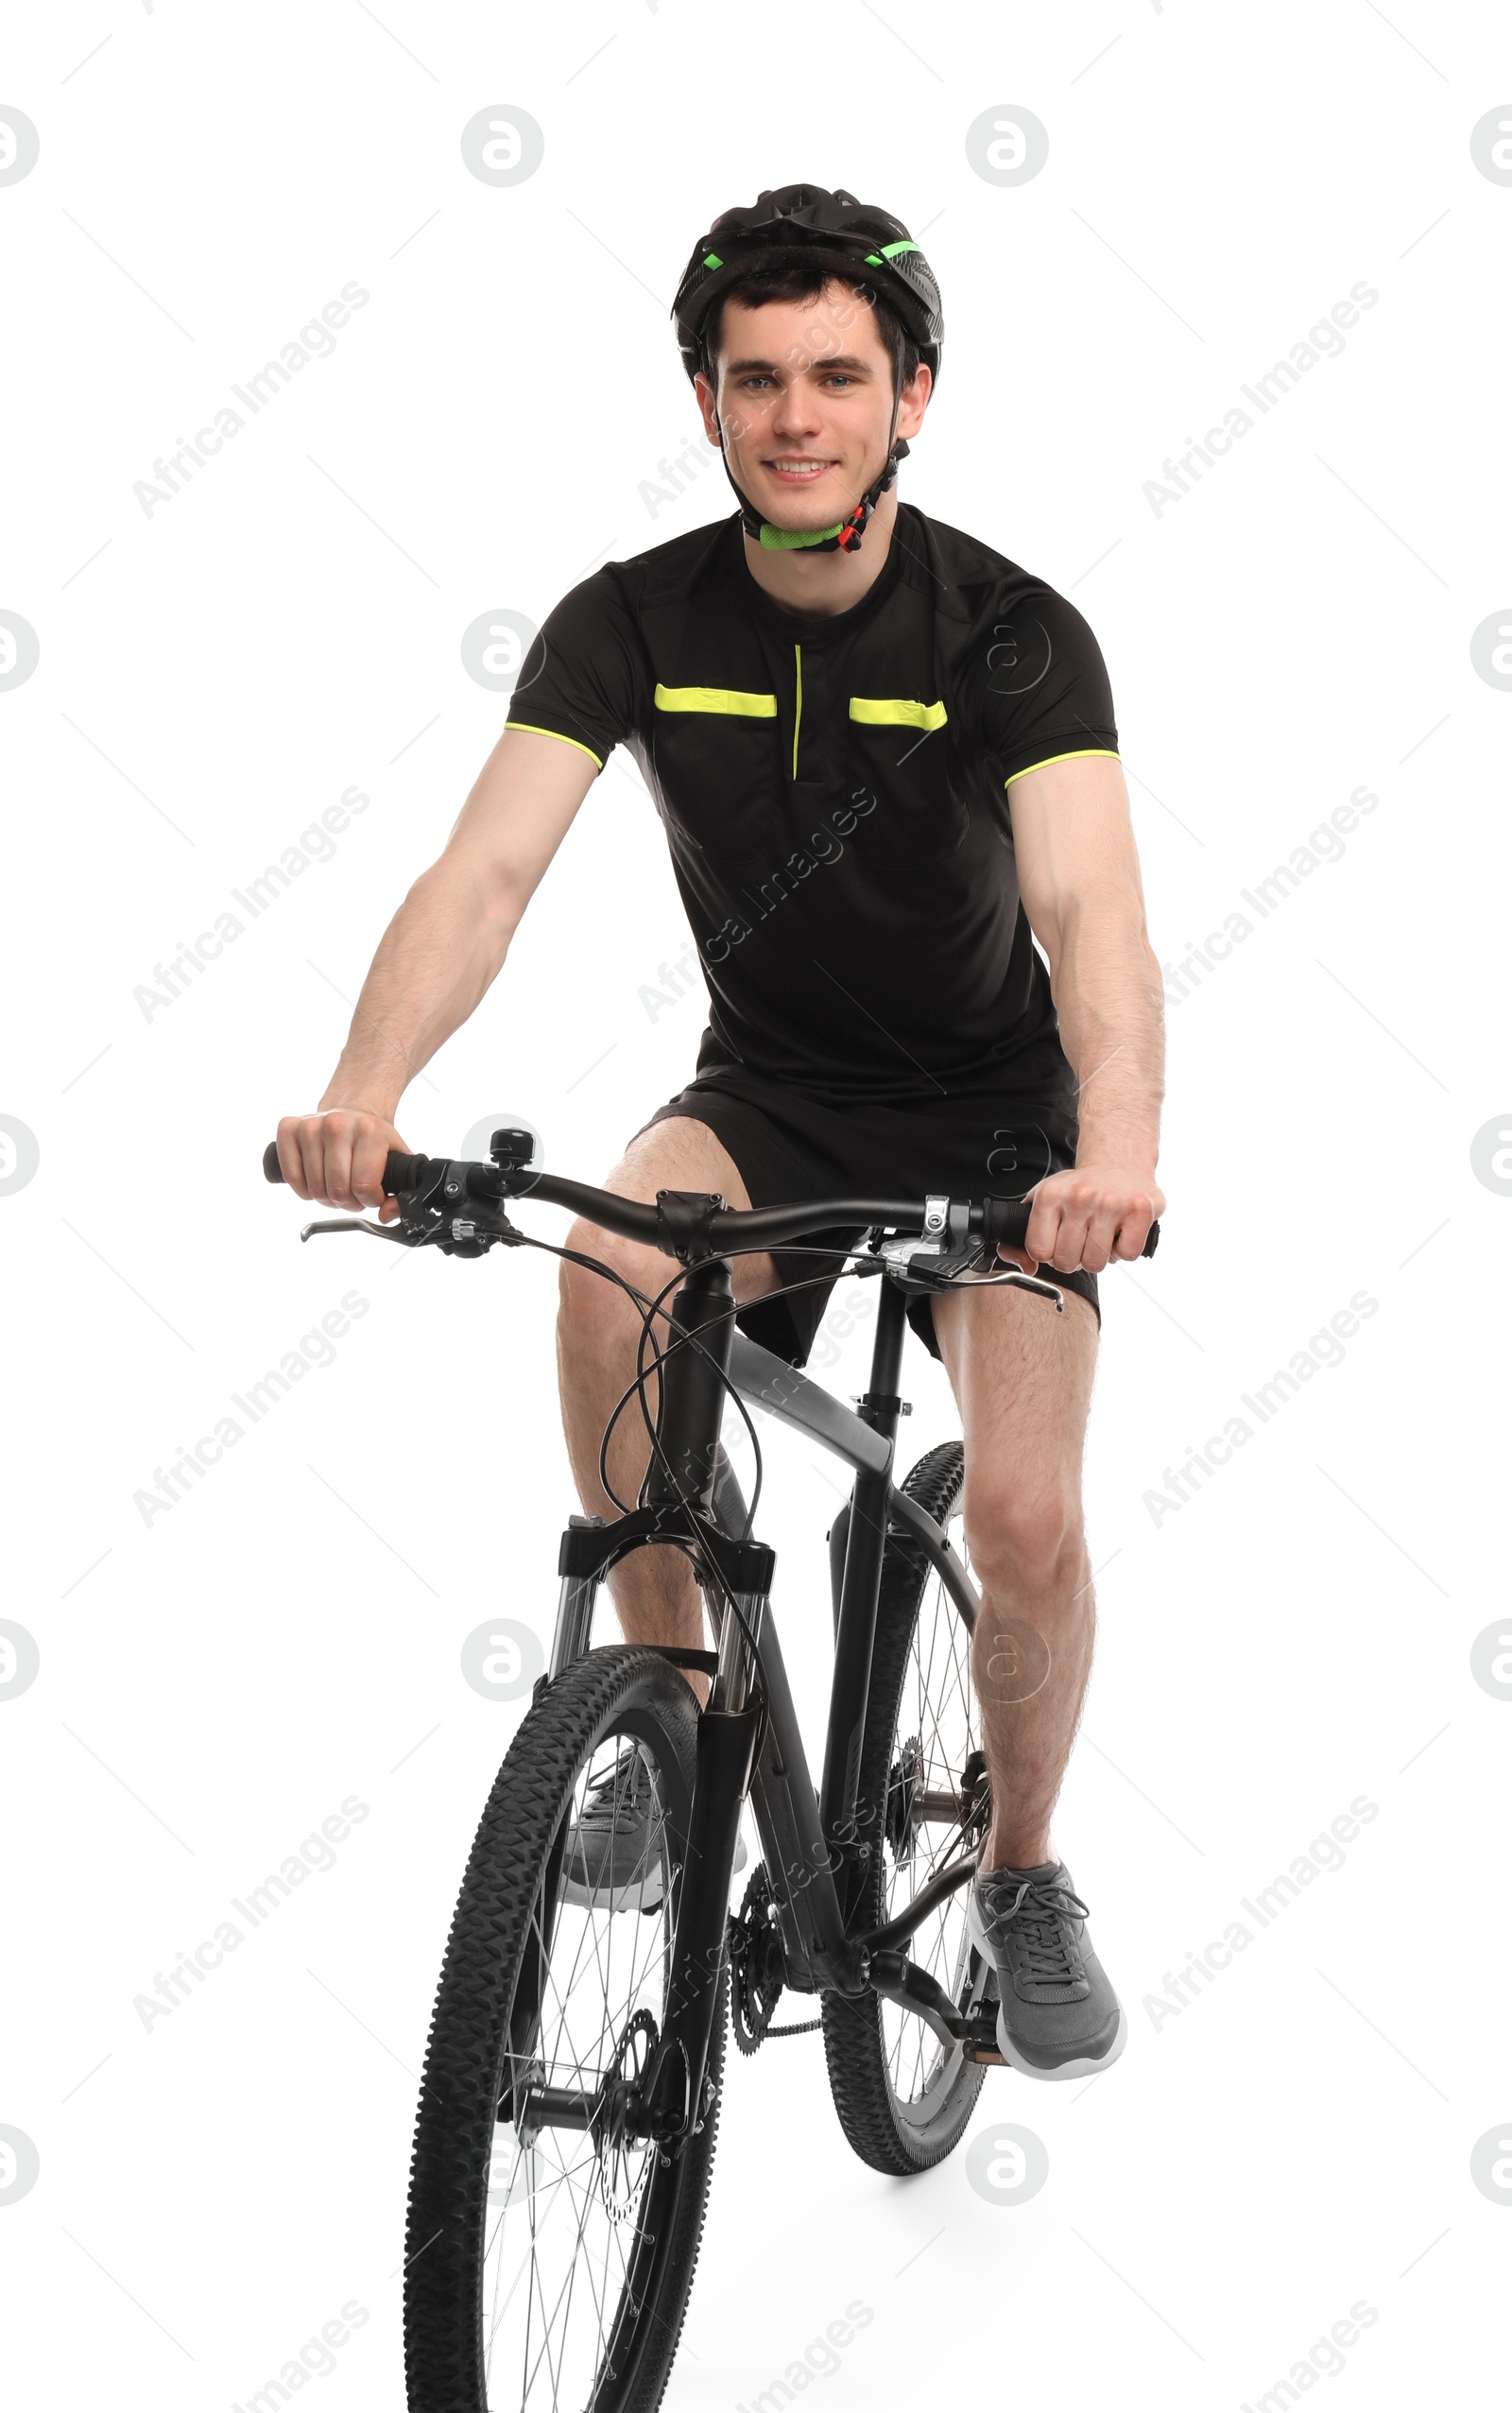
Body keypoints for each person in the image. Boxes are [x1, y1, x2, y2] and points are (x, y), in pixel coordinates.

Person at [274, 184, 1166, 2082]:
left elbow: (1091, 918)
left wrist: (1114, 1151)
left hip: (1003, 1128)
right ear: (704, 400)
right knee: (606, 1273)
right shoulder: (629, 620)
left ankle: (1016, 1870)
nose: (793, 416)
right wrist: (366, 1093)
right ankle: (670, 1713)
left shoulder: (1011, 635)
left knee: (1014, 1512)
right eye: (751, 378)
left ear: (908, 393)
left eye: (836, 374)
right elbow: (484, 871)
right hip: (767, 1090)